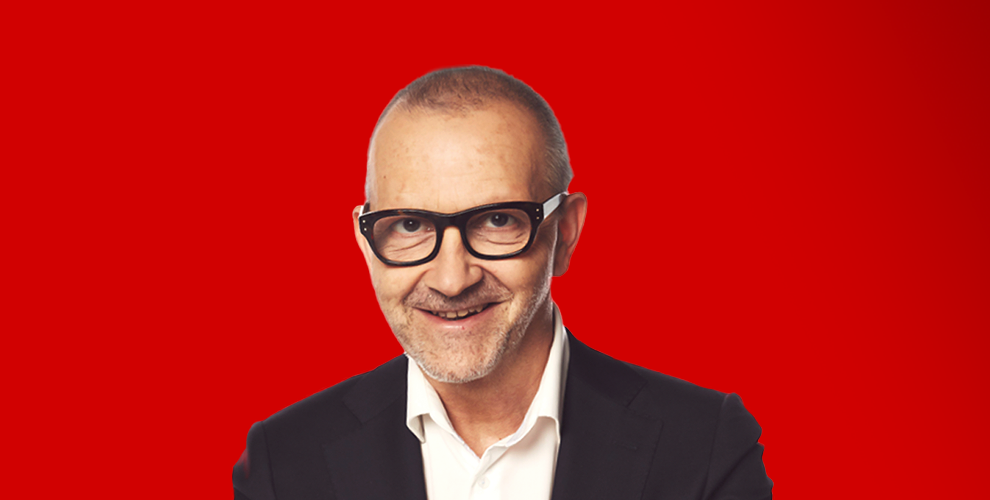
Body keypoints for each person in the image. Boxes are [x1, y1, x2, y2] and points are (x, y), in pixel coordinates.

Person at [233, 66, 772, 500]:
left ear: (565, 233)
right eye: (410, 226)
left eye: (496, 221)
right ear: (364, 239)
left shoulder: (706, 447)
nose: (451, 280)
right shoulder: (283, 461)